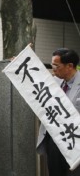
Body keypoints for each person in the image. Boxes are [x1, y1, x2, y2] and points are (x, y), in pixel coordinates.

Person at [37, 48, 80, 176]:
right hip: (54, 140)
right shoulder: (54, 81)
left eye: (56, 65)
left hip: (75, 142)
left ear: (70, 66)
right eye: (52, 65)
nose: (53, 68)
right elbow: (33, 79)